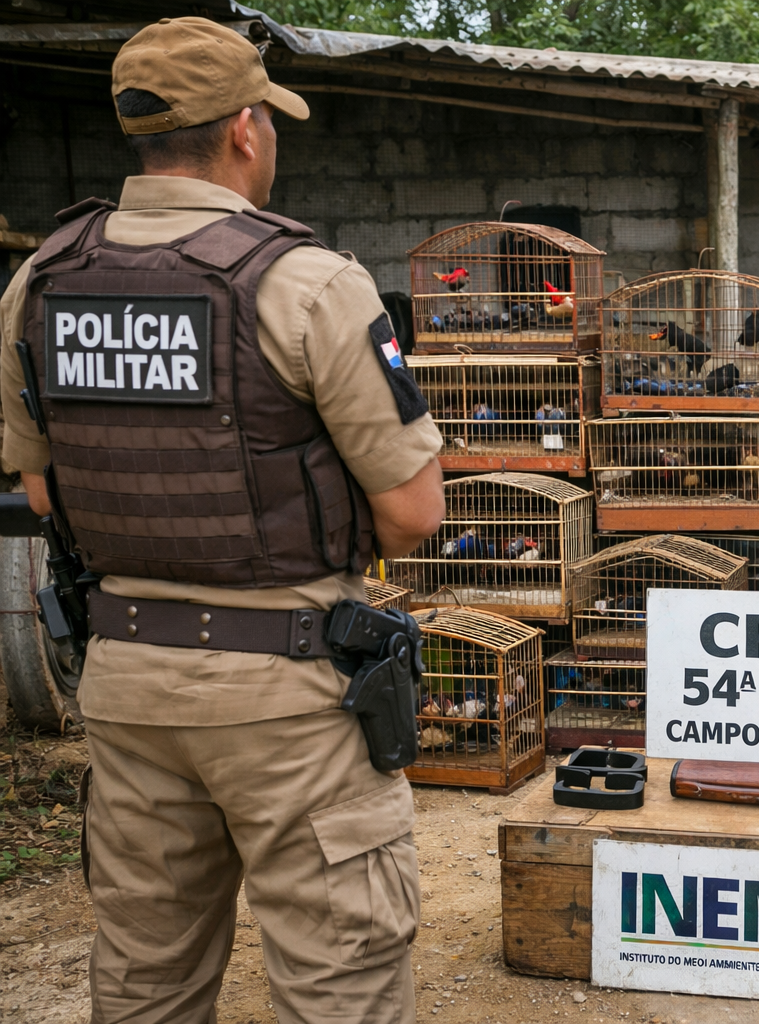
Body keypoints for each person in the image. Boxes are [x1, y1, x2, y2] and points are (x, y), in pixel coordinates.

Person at [0, 17, 445, 1023]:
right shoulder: (305, 281)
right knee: (340, 978)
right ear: (247, 130)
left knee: (146, 978)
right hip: (289, 695)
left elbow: (40, 496)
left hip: (124, 685)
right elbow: (415, 514)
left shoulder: (41, 282)